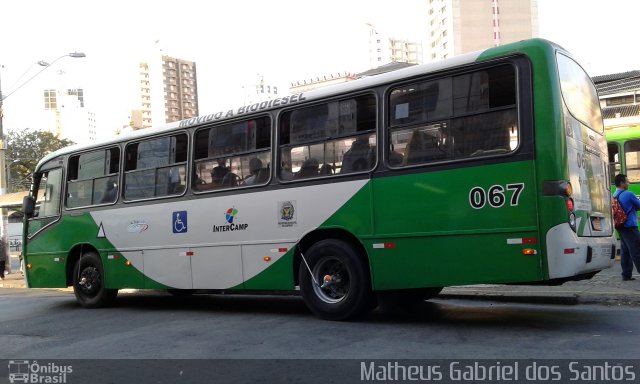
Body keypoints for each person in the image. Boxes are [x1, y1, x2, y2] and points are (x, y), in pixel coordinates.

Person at [613, 173, 640, 281]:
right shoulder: (628, 194)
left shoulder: (614, 195)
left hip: (620, 226)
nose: (628, 183)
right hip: (630, 226)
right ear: (622, 183)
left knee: (625, 251)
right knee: (637, 249)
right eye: (627, 181)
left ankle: (626, 274)